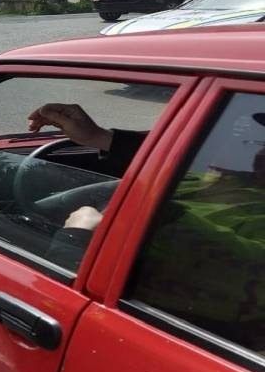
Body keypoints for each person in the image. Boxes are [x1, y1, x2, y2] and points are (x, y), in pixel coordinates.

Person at [29, 104, 264, 351]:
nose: (244, 146)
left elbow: (245, 266)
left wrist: (76, 236)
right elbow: (173, 161)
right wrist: (97, 137)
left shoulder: (251, 219)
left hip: (141, 334)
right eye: (236, 135)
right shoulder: (204, 178)